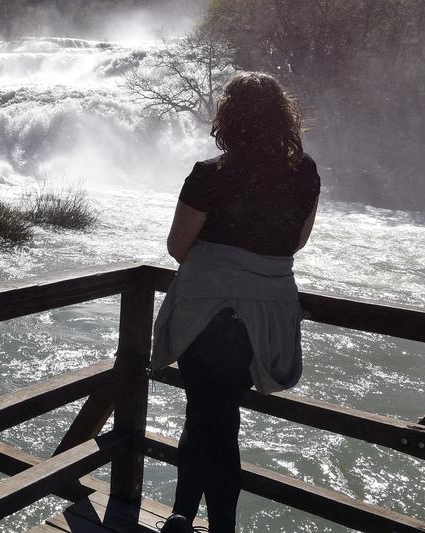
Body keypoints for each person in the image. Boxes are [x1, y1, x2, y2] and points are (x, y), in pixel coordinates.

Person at [152, 72, 320, 533]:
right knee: (208, 414)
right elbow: (296, 242)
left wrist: (220, 264)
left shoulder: (210, 175)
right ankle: (183, 514)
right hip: (266, 314)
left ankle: (216, 524)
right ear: (283, 118)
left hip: (206, 315)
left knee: (213, 421)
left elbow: (177, 246)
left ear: (229, 118)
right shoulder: (304, 172)